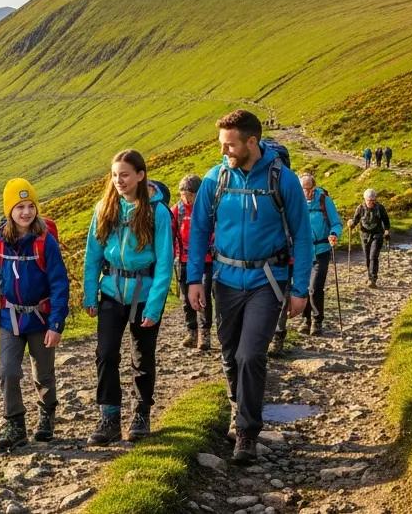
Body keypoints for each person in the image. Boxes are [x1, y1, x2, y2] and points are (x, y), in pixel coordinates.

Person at [187, 110, 313, 464]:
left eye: (229, 145)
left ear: (251, 142)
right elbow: (198, 230)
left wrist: (300, 289)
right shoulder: (216, 178)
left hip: (267, 281)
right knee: (229, 354)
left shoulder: (282, 180)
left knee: (250, 354)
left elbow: (302, 236)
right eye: (221, 144)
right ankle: (235, 406)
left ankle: (247, 432)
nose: (224, 151)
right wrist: (194, 279)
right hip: (225, 280)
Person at [84, 149, 174, 445]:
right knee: (106, 354)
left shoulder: (157, 212)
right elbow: (92, 256)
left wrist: (155, 306)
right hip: (111, 291)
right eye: (114, 175)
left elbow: (164, 262)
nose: (118, 180)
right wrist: (89, 295)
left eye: (124, 174)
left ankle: (141, 413)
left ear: (140, 175)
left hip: (144, 293)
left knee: (142, 357)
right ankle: (108, 417)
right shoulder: (104, 208)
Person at [0, 178, 69, 450]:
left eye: (31, 206)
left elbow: (59, 283)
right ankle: (15, 423)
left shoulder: (46, 242)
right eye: (20, 207)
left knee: (43, 373)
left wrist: (56, 323)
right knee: (8, 371)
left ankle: (46, 415)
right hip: (9, 318)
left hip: (41, 320)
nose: (26, 212)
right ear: (9, 210)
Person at [173, 174, 212, 350]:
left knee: (203, 298)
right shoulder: (177, 210)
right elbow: (171, 234)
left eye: (189, 194)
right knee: (185, 299)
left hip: (206, 260)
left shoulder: (207, 209)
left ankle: (205, 334)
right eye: (183, 194)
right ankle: (191, 331)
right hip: (183, 260)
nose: (186, 198)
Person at [299, 172, 342, 336]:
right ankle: (305, 319)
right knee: (303, 286)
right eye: (303, 189)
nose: (307, 193)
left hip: (322, 250)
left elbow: (336, 223)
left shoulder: (324, 200)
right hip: (303, 251)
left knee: (315, 287)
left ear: (314, 187)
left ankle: (317, 321)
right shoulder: (297, 202)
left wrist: (334, 234)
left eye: (309, 189)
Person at [351, 188, 391, 288]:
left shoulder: (380, 208)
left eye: (373, 200)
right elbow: (355, 220)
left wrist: (386, 231)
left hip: (377, 235)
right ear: (365, 199)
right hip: (364, 235)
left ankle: (373, 279)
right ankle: (369, 277)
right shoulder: (360, 208)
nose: (371, 202)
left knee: (373, 256)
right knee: (367, 257)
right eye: (369, 200)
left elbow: (386, 220)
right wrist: (351, 224)